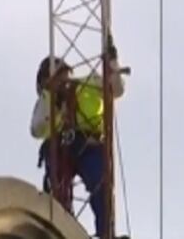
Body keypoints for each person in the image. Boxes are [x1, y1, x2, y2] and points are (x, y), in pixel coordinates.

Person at [30, 41, 125, 238]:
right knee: (58, 195)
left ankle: (107, 234)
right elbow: (36, 129)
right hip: (59, 149)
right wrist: (51, 98)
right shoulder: (45, 103)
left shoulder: (89, 84)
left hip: (88, 144)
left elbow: (117, 89)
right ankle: (62, 232)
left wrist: (113, 63)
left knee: (101, 187)